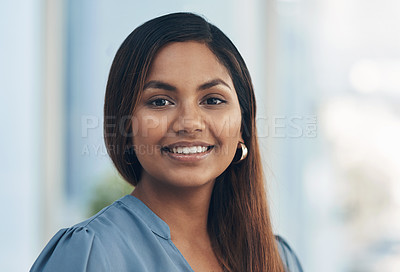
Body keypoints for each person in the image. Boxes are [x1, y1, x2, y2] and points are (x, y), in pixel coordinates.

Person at [30, 12, 303, 272]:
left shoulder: (278, 258)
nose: (189, 123)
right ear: (126, 126)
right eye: (160, 101)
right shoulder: (89, 252)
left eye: (212, 100)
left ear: (243, 126)